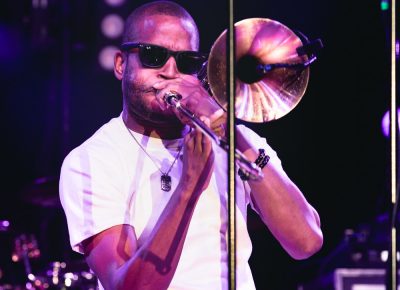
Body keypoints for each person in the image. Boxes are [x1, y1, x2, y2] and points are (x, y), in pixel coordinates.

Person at [59, 1, 323, 289]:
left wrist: (228, 129)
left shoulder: (239, 142)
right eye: (153, 55)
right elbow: (126, 285)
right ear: (121, 64)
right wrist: (188, 188)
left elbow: (306, 241)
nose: (170, 71)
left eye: (186, 62)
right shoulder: (93, 159)